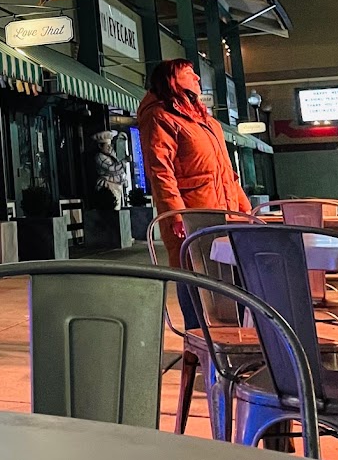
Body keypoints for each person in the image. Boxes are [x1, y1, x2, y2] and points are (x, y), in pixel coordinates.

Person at [138, 58, 251, 324]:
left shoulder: (206, 121)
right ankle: (201, 345)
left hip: (226, 213)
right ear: (172, 80)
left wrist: (244, 208)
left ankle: (238, 346)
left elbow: (227, 172)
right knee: (196, 277)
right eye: (190, 73)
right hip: (194, 215)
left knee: (234, 281)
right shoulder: (159, 116)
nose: (198, 78)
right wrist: (176, 215)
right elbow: (160, 171)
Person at [91, 130, 128, 209]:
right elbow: (111, 168)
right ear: (100, 146)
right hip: (108, 186)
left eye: (110, 145)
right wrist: (124, 161)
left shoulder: (111, 155)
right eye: (107, 146)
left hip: (117, 186)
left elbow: (119, 170)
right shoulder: (100, 157)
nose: (109, 147)